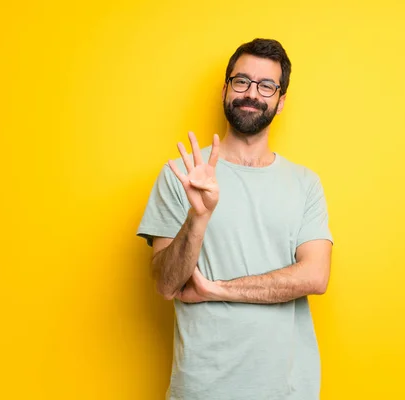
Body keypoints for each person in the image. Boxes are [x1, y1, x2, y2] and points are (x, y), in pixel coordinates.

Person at [137, 38, 333, 400]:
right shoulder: (181, 174)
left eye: (266, 86)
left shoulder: (305, 183)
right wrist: (199, 216)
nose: (251, 94)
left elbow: (315, 276)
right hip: (203, 388)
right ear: (226, 88)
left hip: (288, 389)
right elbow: (166, 285)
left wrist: (218, 289)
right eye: (241, 81)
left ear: (281, 100)